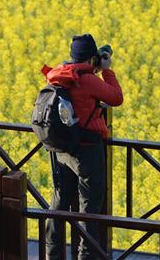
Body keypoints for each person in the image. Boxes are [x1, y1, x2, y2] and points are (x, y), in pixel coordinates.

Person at [42, 34, 123, 260]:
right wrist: (106, 70)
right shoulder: (87, 80)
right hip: (86, 150)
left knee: (59, 202)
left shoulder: (59, 74)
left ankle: (52, 253)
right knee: (89, 211)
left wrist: (91, 69)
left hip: (62, 149)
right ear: (91, 57)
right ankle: (86, 257)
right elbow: (116, 97)